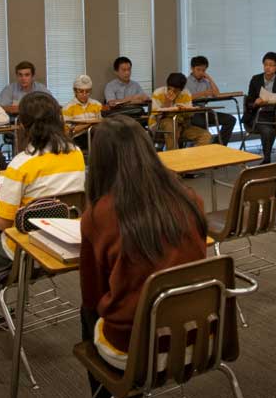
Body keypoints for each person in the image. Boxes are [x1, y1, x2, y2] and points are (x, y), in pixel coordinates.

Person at [79, 114, 207, 379]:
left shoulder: (99, 215)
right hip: (199, 336)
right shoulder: (190, 198)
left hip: (137, 348)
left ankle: (110, 388)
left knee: (87, 312)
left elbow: (92, 296)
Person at [0, 91, 86, 332]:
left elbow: (2, 223)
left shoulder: (21, 163)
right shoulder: (77, 153)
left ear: (22, 125)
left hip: (27, 248)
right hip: (67, 242)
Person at [150, 73, 212, 150]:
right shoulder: (158, 93)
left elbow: (190, 115)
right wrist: (167, 103)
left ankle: (193, 157)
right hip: (159, 127)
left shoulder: (186, 93)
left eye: (175, 91)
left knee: (205, 135)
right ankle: (174, 156)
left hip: (182, 125)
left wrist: (186, 111)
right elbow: (157, 117)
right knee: (170, 125)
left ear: (181, 89)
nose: (172, 92)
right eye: (169, 89)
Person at [185, 55, 236, 146]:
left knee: (230, 119)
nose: (201, 72)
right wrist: (203, 93)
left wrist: (209, 78)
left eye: (203, 70)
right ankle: (203, 145)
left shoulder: (205, 81)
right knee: (201, 122)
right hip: (191, 112)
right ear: (192, 68)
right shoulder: (186, 81)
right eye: (198, 69)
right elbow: (186, 98)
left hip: (204, 111)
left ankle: (218, 145)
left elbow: (216, 94)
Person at [63, 74, 103, 150]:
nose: (84, 94)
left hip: (96, 136)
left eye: (87, 91)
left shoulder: (97, 105)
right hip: (77, 139)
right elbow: (67, 133)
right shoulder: (67, 108)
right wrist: (89, 123)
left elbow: (102, 124)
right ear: (75, 91)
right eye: (81, 91)